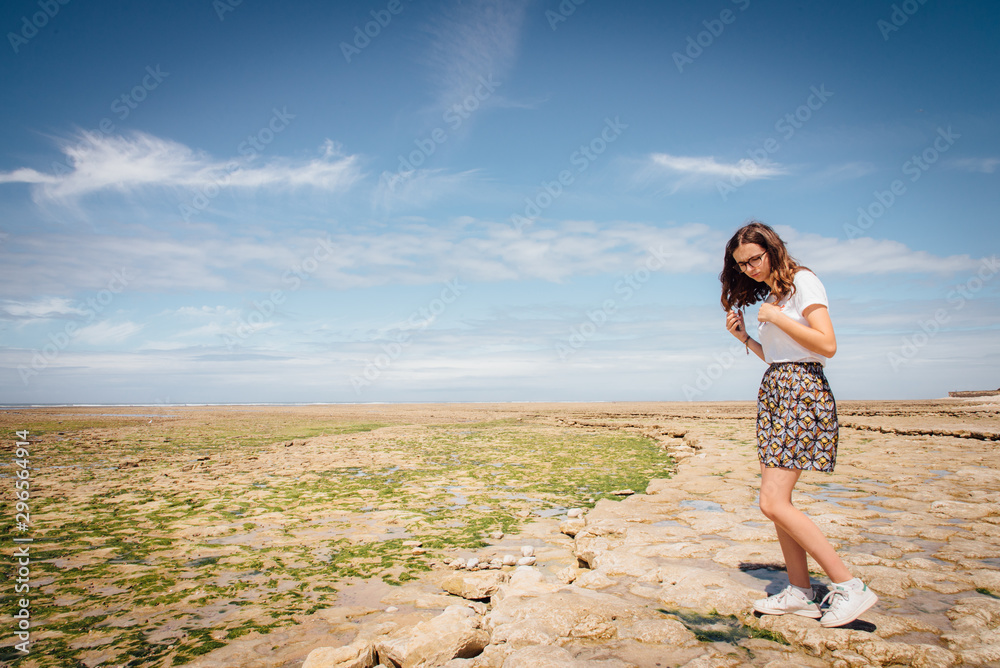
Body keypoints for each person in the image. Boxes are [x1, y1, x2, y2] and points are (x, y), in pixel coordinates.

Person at [719, 220, 878, 628]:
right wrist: (745, 338)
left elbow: (826, 345)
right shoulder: (775, 295)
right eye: (742, 264)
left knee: (772, 501)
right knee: (776, 505)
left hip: (802, 393)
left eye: (755, 258)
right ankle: (801, 593)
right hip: (776, 388)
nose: (750, 267)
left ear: (773, 249)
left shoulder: (803, 282)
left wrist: (775, 316)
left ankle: (849, 586)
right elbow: (778, 357)